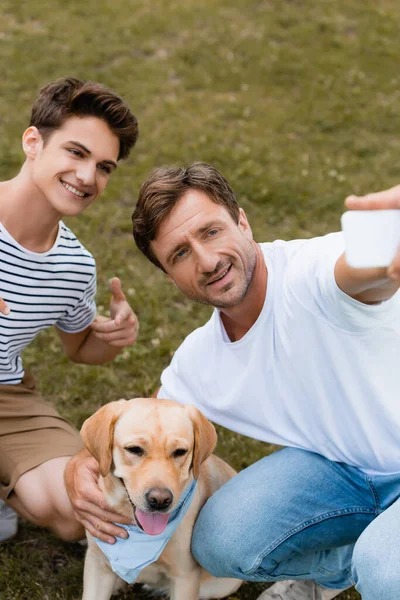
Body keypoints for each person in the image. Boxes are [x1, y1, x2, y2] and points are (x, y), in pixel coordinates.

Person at [68, 162, 399, 600]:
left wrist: (383, 244)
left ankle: (372, 555)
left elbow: (362, 272)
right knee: (219, 543)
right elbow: (140, 428)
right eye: (180, 254)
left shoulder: (311, 274)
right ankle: (334, 568)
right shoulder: (199, 359)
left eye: (210, 232)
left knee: (385, 570)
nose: (207, 261)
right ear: (170, 277)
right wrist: (78, 465)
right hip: (343, 471)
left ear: (242, 220)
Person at [0, 77, 140, 545]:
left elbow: (80, 350)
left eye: (104, 167)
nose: (87, 177)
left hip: (6, 397)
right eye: (76, 153)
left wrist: (110, 336)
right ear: (33, 142)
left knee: (79, 503)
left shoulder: (75, 266)